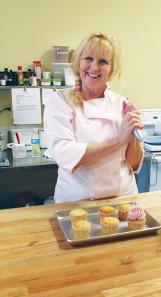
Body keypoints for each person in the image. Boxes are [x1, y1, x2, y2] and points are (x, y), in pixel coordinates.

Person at [44, 32, 144, 203]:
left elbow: (134, 164)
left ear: (111, 70)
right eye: (88, 58)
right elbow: (67, 155)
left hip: (123, 198)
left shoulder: (122, 104)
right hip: (77, 202)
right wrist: (119, 141)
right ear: (78, 63)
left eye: (103, 61)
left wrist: (131, 132)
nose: (94, 67)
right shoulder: (60, 102)